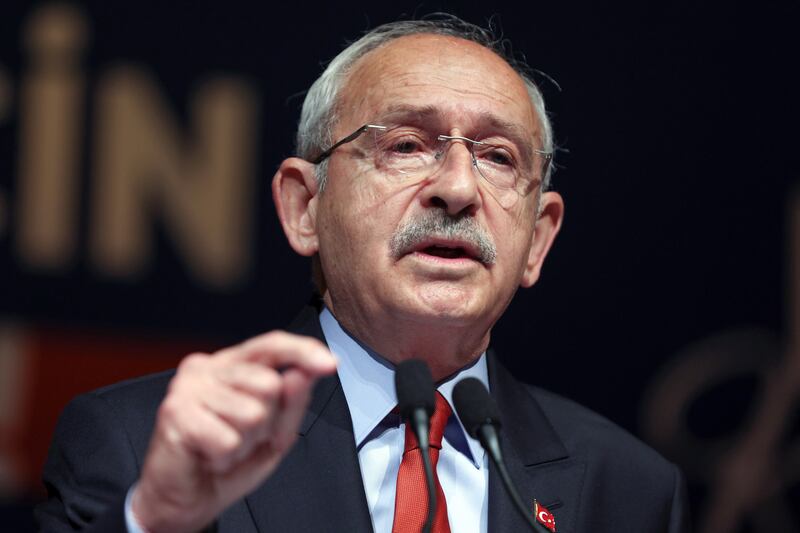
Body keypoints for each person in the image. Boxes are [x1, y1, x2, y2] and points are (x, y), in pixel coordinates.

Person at [36, 16, 689, 533]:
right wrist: (155, 520)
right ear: (304, 207)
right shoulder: (139, 443)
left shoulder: (627, 488)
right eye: (406, 145)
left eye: (496, 156)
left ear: (538, 240)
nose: (458, 188)